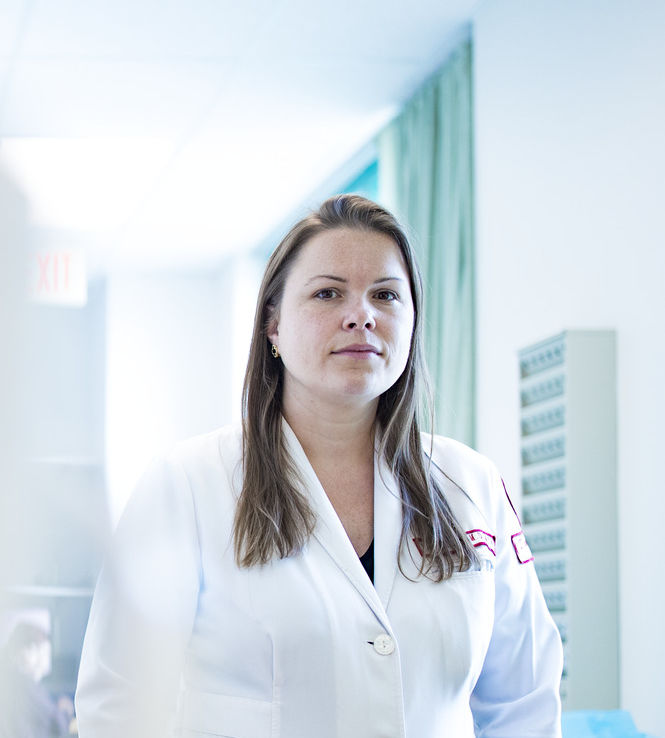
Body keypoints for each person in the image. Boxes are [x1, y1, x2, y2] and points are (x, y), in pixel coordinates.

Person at [74, 195, 562, 737]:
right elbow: (120, 703)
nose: (362, 315)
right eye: (328, 293)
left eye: (385, 295)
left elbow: (525, 703)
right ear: (273, 327)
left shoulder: (471, 484)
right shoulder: (187, 485)